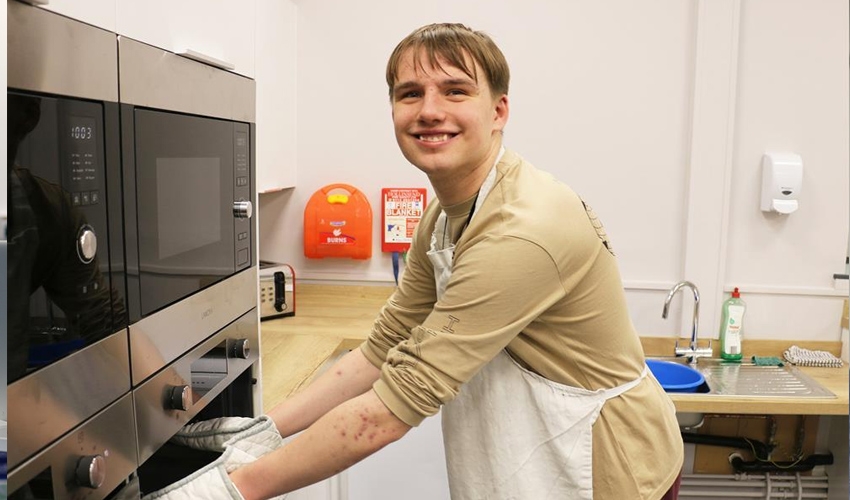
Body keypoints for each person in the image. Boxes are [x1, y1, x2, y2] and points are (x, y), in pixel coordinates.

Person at [147, 22, 683, 500]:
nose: (429, 111)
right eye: (410, 94)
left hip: (604, 469)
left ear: (498, 110)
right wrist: (267, 429)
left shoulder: (524, 229)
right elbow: (385, 347)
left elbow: (397, 402)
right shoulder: (445, 214)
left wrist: (232, 488)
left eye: (455, 91)